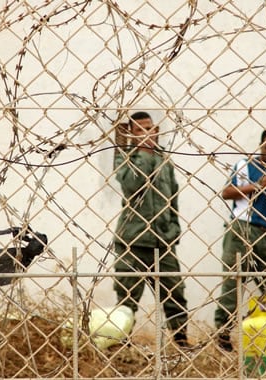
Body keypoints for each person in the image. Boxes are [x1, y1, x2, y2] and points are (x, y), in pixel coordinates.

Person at [214, 128, 266, 351]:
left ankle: (263, 326)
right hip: (241, 229)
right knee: (233, 284)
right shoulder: (245, 165)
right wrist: (257, 185)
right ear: (260, 145)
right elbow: (227, 192)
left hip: (264, 233)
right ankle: (222, 332)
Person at [113, 111, 189, 347]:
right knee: (127, 297)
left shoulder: (165, 160)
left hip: (163, 241)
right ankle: (121, 343)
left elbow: (173, 196)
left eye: (150, 128)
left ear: (156, 131)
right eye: (139, 130)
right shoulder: (126, 159)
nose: (147, 133)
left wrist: (174, 228)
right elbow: (131, 185)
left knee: (175, 295)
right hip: (133, 241)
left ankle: (181, 341)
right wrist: (143, 153)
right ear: (132, 135)